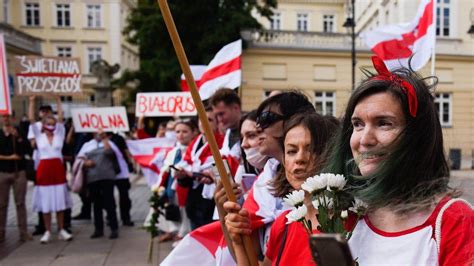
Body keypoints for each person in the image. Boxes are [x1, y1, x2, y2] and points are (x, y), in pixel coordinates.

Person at [321, 56, 473, 265]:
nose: (365, 139)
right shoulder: (345, 215)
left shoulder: (453, 220)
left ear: (418, 136)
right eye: (357, 124)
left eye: (384, 123)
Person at [223, 113, 339, 265]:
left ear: (334, 155)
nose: (299, 159)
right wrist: (238, 242)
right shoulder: (284, 223)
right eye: (291, 151)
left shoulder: (350, 225)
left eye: (311, 149)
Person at [28, 95, 73, 243]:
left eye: (52, 122)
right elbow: (31, 119)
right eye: (48, 122)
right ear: (43, 124)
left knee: (60, 200)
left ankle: (61, 230)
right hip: (44, 169)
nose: (51, 124)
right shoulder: (38, 135)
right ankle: (47, 231)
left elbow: (60, 118)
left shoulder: (59, 133)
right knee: (46, 202)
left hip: (57, 169)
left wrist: (59, 101)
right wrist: (32, 101)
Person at [156, 119, 199, 242]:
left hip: (188, 188)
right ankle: (175, 231)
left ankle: (184, 235)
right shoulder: (174, 151)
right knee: (174, 209)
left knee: (185, 212)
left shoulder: (194, 150)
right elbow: (165, 169)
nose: (180, 135)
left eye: (185, 131)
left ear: (194, 132)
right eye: (178, 131)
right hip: (173, 186)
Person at [77, 129, 120, 239]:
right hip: (93, 178)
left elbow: (110, 153)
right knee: (96, 204)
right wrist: (86, 163)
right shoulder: (87, 145)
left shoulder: (109, 143)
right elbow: (79, 159)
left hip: (107, 177)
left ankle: (114, 228)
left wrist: (104, 138)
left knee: (109, 202)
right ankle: (98, 229)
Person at [0, 114, 32, 242]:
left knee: (20, 203)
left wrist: (18, 137)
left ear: (13, 119)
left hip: (19, 172)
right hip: (3, 172)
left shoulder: (19, 133)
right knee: (2, 204)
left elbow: (28, 150)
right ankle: (1, 232)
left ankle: (23, 232)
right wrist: (9, 157)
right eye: (3, 117)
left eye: (8, 117)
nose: (6, 119)